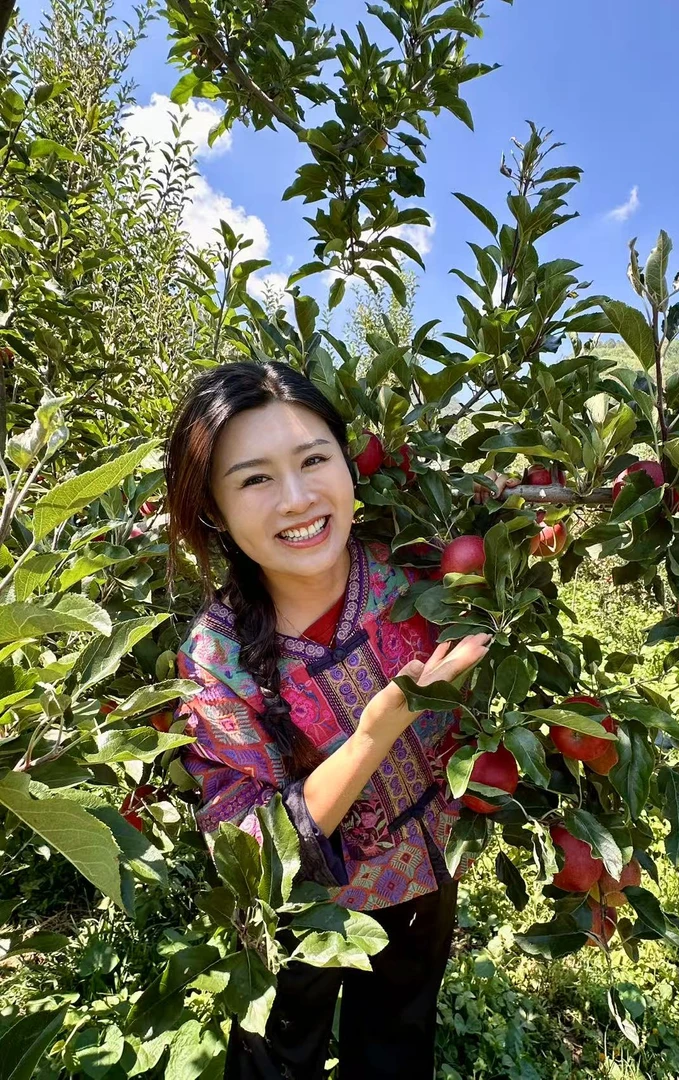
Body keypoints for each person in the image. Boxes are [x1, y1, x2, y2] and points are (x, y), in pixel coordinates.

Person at [163, 360, 518, 1080]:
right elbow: (258, 849)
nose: (296, 498)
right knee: (275, 1053)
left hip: (422, 881)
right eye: (255, 478)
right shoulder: (214, 661)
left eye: (313, 459)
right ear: (215, 510)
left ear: (349, 465)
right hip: (301, 915)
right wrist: (375, 730)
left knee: (396, 1043)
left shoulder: (417, 578)